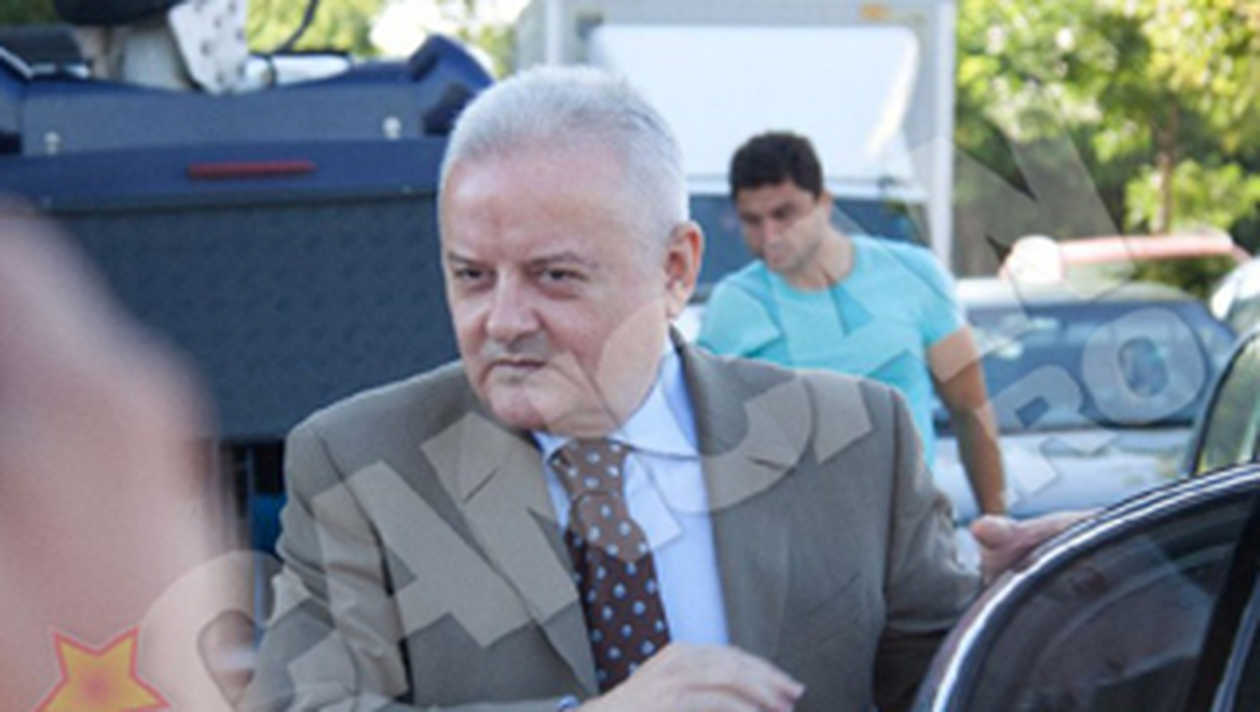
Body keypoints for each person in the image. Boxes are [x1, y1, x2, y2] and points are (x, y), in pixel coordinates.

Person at [244, 67, 1063, 712]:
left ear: (675, 268)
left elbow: (950, 687)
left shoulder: (856, 440)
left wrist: (1053, 604)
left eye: (554, 276)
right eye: (471, 276)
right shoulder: (360, 465)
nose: (503, 321)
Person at [698, 132, 1007, 515]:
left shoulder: (913, 274)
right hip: (794, 532)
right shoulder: (733, 304)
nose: (769, 236)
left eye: (784, 215)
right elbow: (709, 438)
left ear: (824, 204)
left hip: (908, 526)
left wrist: (998, 523)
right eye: (752, 220)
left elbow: (970, 409)